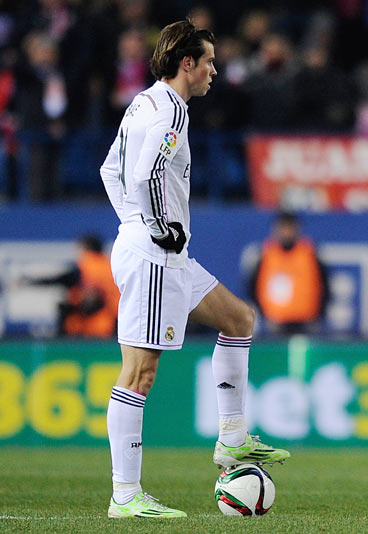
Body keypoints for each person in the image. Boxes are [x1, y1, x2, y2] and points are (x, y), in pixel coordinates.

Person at [99, 19, 289, 519]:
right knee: (139, 372)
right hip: (156, 253)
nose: (214, 70)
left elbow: (109, 170)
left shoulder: (144, 101)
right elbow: (146, 173)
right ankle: (125, 495)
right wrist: (156, 226)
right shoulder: (172, 111)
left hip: (160, 251)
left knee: (239, 319)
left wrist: (135, 222)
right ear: (187, 63)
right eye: (207, 61)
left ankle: (231, 439)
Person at [23, 234, 119, 338]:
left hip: (92, 322)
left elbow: (57, 279)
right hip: (115, 322)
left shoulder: (85, 266)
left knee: (66, 306)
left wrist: (29, 282)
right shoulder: (111, 264)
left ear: (86, 248)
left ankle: (60, 344)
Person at [250, 212, 329, 335]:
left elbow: (325, 284)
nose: (287, 232)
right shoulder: (267, 255)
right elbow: (252, 287)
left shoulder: (309, 253)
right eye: (283, 227)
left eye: (290, 227)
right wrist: (263, 315)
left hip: (307, 321)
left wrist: (320, 314)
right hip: (276, 322)